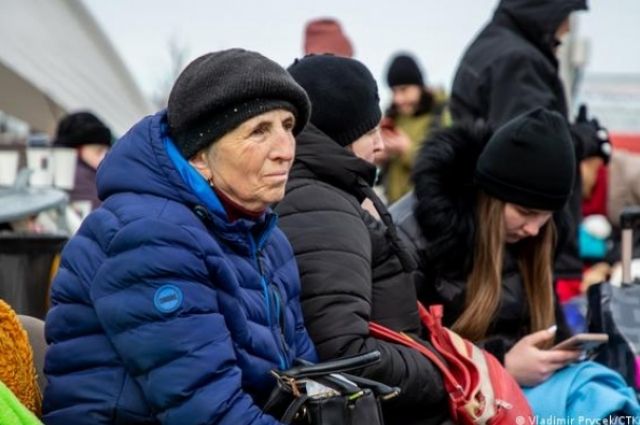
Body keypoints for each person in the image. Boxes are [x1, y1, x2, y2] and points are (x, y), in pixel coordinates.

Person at [43, 49, 317, 424]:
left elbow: (307, 374)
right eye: (259, 131)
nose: (285, 150)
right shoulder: (151, 238)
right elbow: (206, 411)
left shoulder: (266, 239)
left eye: (288, 126)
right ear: (200, 156)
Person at [392, 108, 640, 418]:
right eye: (525, 212)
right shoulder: (412, 235)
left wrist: (556, 355)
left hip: (513, 398)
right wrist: (501, 366)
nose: (534, 229)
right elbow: (400, 364)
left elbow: (545, 326)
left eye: (545, 216)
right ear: (491, 197)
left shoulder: (539, 235)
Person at [277, 54, 448, 425]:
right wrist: (439, 372)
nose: (380, 145)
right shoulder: (322, 207)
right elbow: (344, 352)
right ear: (338, 137)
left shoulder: (321, 195)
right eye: (370, 132)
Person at [449, 0, 597, 285]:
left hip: (492, 234)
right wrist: (587, 139)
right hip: (519, 254)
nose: (567, 29)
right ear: (544, 11)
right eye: (565, 15)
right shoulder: (519, 60)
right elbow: (531, 151)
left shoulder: (491, 45)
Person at [379, 53, 449, 204]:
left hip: (428, 207)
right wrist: (379, 155)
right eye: (394, 91)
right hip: (392, 207)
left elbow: (446, 168)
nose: (398, 99)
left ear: (419, 86)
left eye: (404, 90)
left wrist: (407, 149)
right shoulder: (394, 117)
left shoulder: (443, 116)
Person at [52, 111, 112, 210]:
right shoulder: (77, 174)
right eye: (98, 151)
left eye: (107, 151)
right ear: (76, 150)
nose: (104, 156)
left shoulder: (55, 167)